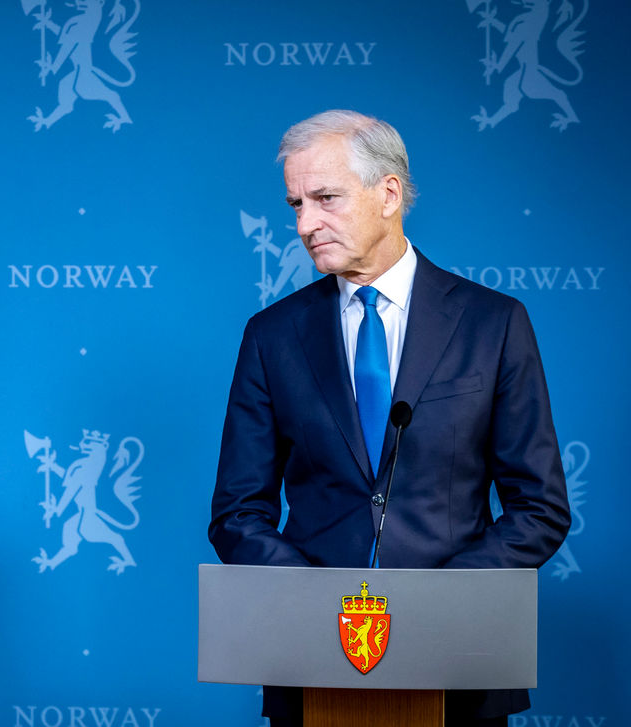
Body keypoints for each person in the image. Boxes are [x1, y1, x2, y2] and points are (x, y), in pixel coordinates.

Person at [209, 110, 569, 727]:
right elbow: (237, 512)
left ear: (389, 194)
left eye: (325, 198)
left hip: (460, 663)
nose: (304, 224)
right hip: (312, 664)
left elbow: (540, 508)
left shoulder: (493, 323)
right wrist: (321, 604)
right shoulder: (272, 336)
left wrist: (433, 602)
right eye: (296, 204)